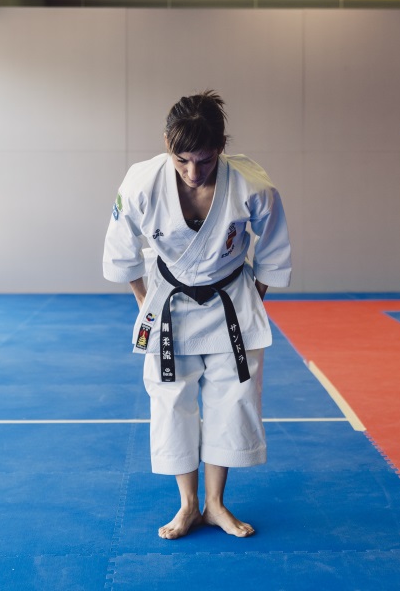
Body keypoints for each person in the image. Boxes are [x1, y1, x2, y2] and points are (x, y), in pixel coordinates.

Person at [102, 91, 292, 540]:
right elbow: (122, 254)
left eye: (204, 161)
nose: (192, 172)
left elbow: (274, 248)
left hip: (231, 301)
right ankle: (187, 506)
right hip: (168, 301)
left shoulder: (252, 185)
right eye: (181, 159)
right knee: (170, 400)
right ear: (167, 143)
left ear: (221, 147)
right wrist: (148, 306)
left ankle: (216, 505)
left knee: (234, 399)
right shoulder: (140, 184)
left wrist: (253, 300)